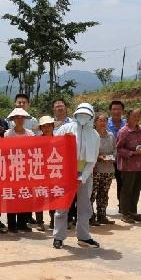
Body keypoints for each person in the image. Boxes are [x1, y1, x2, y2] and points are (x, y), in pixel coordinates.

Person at [52, 103, 101, 250]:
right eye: (81, 114)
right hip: (66, 174)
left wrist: (83, 177)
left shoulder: (94, 135)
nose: (83, 117)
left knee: (84, 207)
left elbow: (92, 159)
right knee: (62, 205)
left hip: (85, 174)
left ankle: (84, 236)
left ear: (91, 117)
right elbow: (55, 147)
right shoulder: (66, 128)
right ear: (76, 114)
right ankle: (58, 237)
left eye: (86, 115)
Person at [4, 107, 35, 232]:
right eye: (17, 117)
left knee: (24, 195)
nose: (20, 120)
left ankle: (22, 223)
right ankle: (12, 225)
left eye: (22, 117)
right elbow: (5, 151)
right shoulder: (8, 134)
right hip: (11, 169)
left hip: (26, 169)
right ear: (13, 119)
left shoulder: (30, 133)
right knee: (12, 196)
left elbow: (33, 150)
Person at [116, 109, 141, 223]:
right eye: (134, 116)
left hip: (140, 165)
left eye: (138, 116)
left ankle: (133, 212)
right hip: (128, 166)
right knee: (127, 189)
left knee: (136, 189)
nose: (137, 118)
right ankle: (125, 213)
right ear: (128, 117)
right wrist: (133, 153)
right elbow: (119, 148)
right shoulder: (123, 131)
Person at [90, 113, 117, 226]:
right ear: (95, 122)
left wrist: (113, 157)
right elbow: (89, 151)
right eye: (100, 120)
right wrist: (98, 158)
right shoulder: (91, 135)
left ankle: (102, 215)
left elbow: (115, 149)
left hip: (108, 169)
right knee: (92, 194)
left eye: (105, 121)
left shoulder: (111, 135)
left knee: (104, 193)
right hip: (95, 170)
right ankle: (91, 217)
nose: (102, 123)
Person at [34, 116, 55, 231]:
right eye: (44, 126)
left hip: (54, 173)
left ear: (53, 126)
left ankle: (54, 221)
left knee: (53, 197)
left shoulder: (59, 140)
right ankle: (39, 222)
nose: (46, 128)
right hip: (40, 173)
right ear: (41, 128)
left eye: (49, 126)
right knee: (39, 197)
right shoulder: (36, 140)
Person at [107, 100, 127, 200]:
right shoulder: (105, 123)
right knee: (105, 182)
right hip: (107, 159)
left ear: (122, 110)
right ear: (110, 111)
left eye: (119, 109)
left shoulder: (127, 124)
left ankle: (122, 204)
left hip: (123, 158)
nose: (116, 111)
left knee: (122, 182)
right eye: (114, 109)